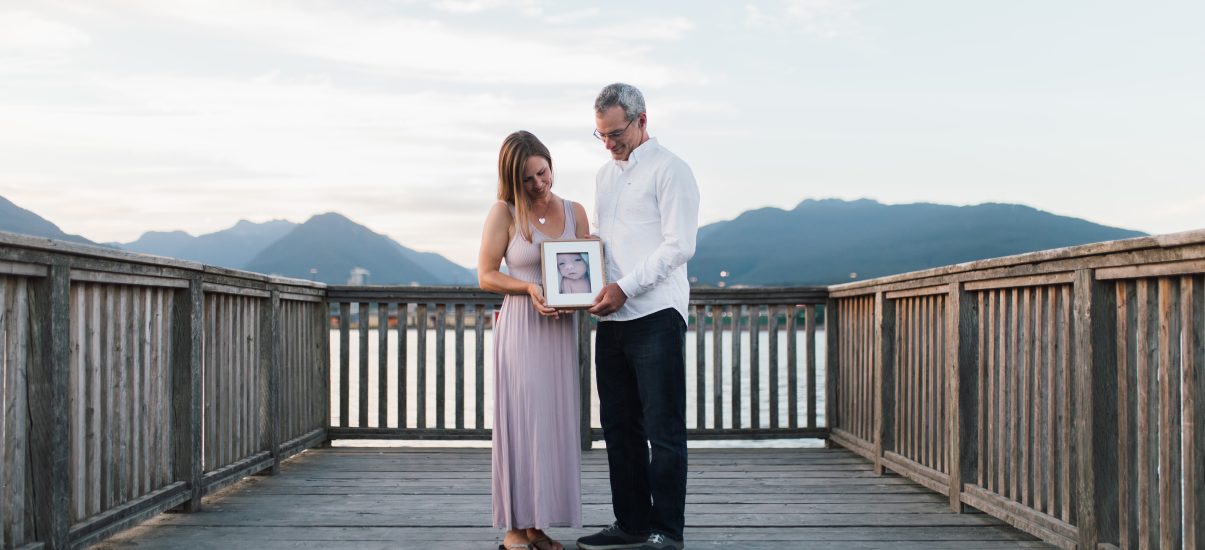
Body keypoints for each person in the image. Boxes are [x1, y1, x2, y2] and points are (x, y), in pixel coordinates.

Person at [577, 83, 699, 550]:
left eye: (615, 133)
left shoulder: (672, 170)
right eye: (601, 134)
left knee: (662, 430)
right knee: (618, 428)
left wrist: (624, 287)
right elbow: (602, 243)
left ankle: (666, 532)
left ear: (642, 120)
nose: (608, 143)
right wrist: (580, 284)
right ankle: (630, 524)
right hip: (610, 320)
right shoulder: (604, 177)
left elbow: (679, 245)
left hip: (655, 314)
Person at [478, 130, 590, 550]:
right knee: (521, 424)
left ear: (550, 163)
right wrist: (528, 290)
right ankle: (513, 528)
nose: (538, 183)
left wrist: (589, 273)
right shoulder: (504, 213)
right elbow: (486, 274)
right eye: (527, 179)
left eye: (542, 172)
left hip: (560, 331)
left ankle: (537, 525)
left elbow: (580, 271)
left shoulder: (576, 211)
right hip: (523, 326)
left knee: (550, 426)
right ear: (512, 180)